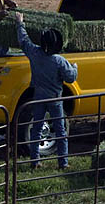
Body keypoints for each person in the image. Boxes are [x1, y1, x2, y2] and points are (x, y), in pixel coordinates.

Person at [15, 12, 78, 170]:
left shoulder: (35, 54)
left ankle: (35, 161)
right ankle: (63, 163)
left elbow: (24, 41)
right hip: (55, 100)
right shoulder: (59, 61)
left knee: (36, 129)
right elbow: (70, 77)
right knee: (60, 131)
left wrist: (20, 23)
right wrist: (75, 67)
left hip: (38, 97)